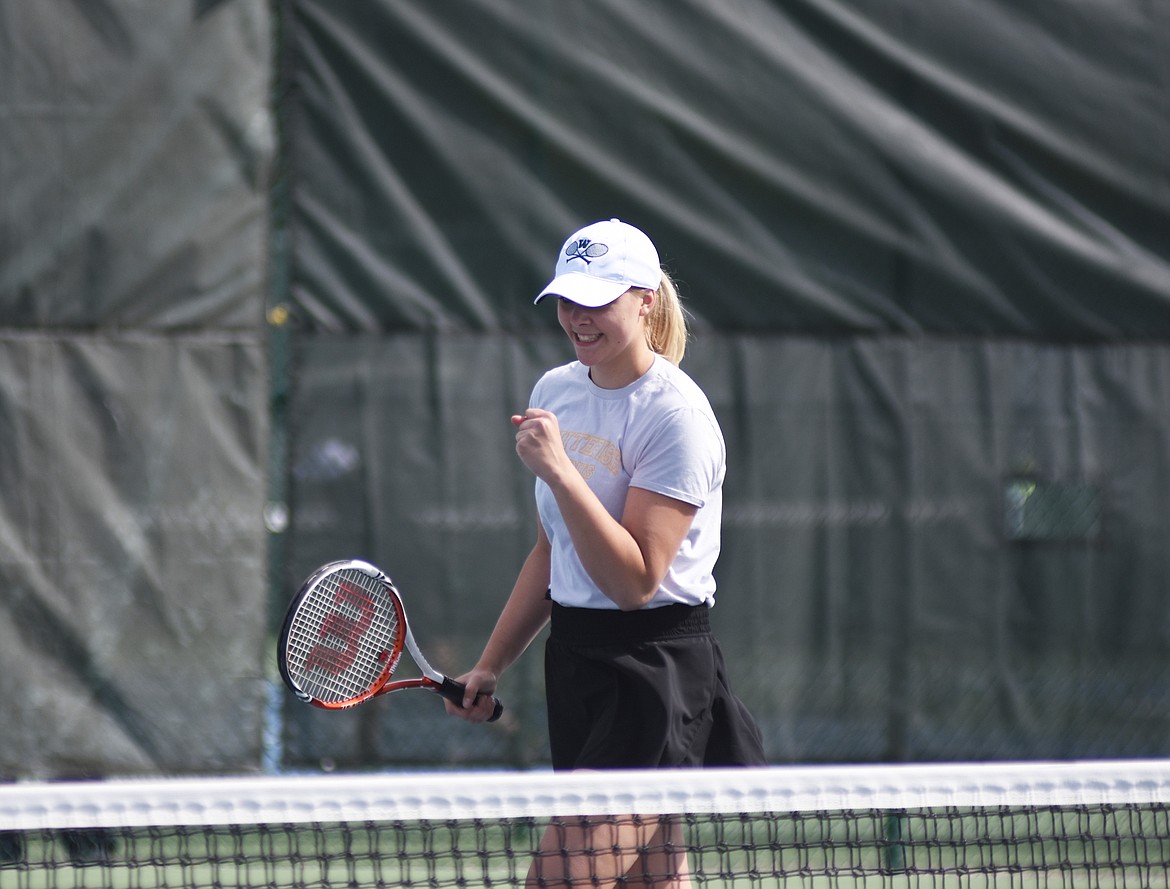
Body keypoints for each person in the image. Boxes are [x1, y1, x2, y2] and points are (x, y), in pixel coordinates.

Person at [445, 218, 765, 888]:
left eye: (598, 299)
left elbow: (636, 581)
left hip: (654, 670)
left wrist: (561, 470)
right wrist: (490, 663)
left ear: (645, 298)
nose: (578, 317)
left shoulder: (675, 415)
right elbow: (553, 548)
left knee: (558, 882)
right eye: (568, 299)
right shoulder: (555, 391)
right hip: (577, 661)